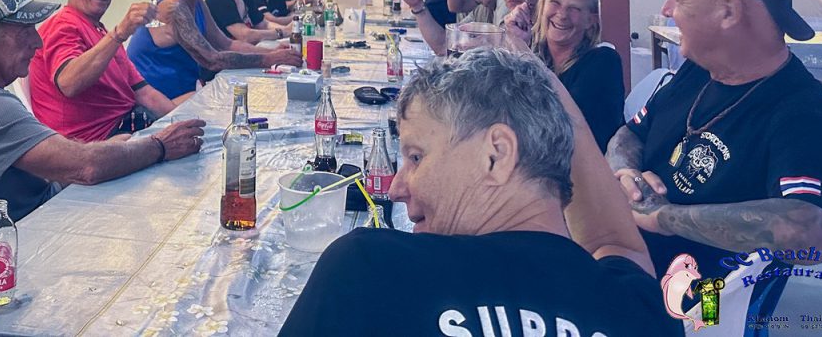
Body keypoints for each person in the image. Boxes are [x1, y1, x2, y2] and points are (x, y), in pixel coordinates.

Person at [280, 48, 682, 336]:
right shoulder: (642, 309)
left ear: (496, 155)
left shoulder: (370, 270)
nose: (397, 188)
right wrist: (536, 81)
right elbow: (615, 242)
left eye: (416, 157)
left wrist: (533, 73)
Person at [605, 0, 822, 324]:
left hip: (701, 312)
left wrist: (664, 217)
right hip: (628, 270)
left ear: (728, 11)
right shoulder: (698, 70)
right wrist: (626, 173)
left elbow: (810, 232)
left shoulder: (806, 114)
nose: (667, 10)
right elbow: (631, 133)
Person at [0, 0, 204, 243]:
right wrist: (160, 145)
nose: (37, 43)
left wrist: (108, 150)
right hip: (33, 235)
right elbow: (86, 168)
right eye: (25, 32)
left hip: (30, 212)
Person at [29, 0, 180, 142]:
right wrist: (120, 33)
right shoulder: (63, 25)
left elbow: (145, 93)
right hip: (98, 141)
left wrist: (181, 120)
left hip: (129, 123)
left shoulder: (101, 32)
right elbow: (69, 83)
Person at [128, 0, 301, 100]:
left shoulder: (197, 2)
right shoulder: (173, 6)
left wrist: (272, 53)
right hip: (154, 103)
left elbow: (226, 44)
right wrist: (269, 58)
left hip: (183, 92)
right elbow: (211, 60)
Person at [505, 0, 625, 152]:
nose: (562, 15)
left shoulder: (604, 61)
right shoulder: (538, 56)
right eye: (555, 3)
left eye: (574, 9)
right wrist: (512, 44)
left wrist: (521, 50)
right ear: (541, 7)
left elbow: (560, 124)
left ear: (590, 21)